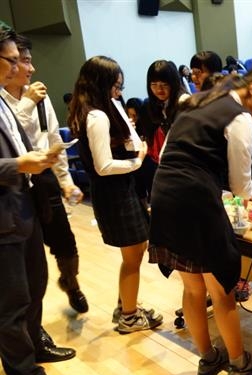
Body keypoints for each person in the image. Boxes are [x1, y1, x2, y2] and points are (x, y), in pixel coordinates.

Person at [148, 68, 252, 375]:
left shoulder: (195, 103)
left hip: (164, 192)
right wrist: (251, 199)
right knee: (221, 289)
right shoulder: (239, 116)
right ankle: (239, 363)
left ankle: (208, 358)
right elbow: (240, 183)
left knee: (193, 288)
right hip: (196, 198)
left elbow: (166, 154)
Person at [0, 26, 76, 375]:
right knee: (12, 302)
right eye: (13, 60)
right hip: (4, 216)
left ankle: (35, 345)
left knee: (35, 285)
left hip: (23, 204)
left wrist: (39, 161)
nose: (21, 67)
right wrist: (19, 164)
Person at [68, 56, 163, 333]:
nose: (118, 92)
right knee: (133, 256)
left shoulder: (98, 109)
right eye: (115, 86)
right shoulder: (96, 116)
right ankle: (129, 316)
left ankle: (126, 306)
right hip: (114, 192)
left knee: (135, 252)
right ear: (101, 83)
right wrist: (137, 160)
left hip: (119, 189)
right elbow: (104, 166)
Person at [0, 33, 89, 314]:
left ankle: (71, 282)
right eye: (21, 61)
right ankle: (31, 321)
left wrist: (66, 181)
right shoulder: (6, 100)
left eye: (26, 60)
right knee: (27, 252)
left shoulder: (40, 96)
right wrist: (26, 104)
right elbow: (13, 140)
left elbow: (53, 140)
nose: (30, 68)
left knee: (64, 240)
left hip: (44, 175)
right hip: (13, 183)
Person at [135, 60, 189, 205]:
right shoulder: (153, 104)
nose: (159, 89)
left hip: (184, 164)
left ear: (173, 83)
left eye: (164, 84)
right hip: (168, 163)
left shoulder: (183, 101)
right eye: (154, 84)